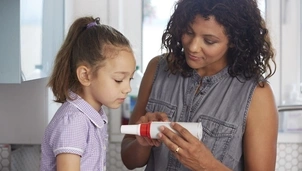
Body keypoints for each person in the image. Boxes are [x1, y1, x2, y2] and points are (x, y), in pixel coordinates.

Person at [121, 0, 278, 170]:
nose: (193, 47)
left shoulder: (257, 94)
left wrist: (206, 165)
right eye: (188, 32)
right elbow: (129, 160)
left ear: (234, 40)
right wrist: (143, 142)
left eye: (209, 41)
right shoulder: (157, 69)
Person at [40, 16, 136, 171]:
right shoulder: (74, 122)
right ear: (85, 75)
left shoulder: (92, 116)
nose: (128, 88)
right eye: (119, 79)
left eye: (129, 79)